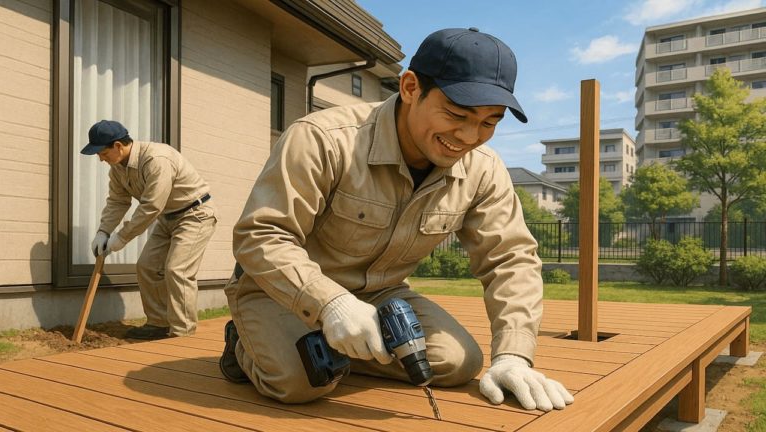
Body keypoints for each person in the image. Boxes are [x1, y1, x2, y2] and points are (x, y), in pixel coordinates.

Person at [222, 28, 574, 411]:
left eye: (490, 122)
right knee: (299, 381)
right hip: (281, 291)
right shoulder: (323, 139)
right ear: (410, 88)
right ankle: (244, 341)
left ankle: (336, 350)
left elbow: (511, 260)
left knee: (458, 363)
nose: (470, 136)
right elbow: (261, 236)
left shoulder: (484, 170)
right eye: (457, 114)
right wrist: (330, 305)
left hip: (382, 294)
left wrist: (513, 356)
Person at [82, 120, 217, 339]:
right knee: (147, 266)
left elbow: (152, 205)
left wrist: (121, 238)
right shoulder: (117, 168)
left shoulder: (157, 159)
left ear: (118, 146)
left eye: (103, 153)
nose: (100, 159)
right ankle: (158, 323)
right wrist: (103, 231)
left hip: (195, 214)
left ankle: (183, 333)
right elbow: (118, 201)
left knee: (177, 270)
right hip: (167, 217)